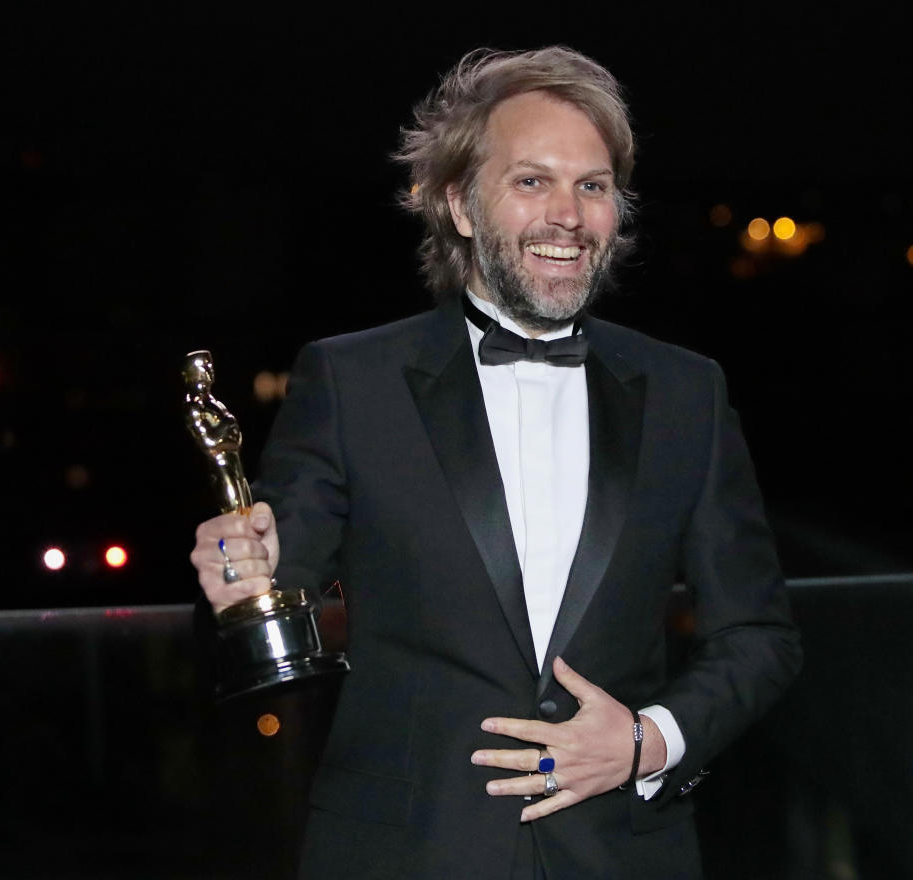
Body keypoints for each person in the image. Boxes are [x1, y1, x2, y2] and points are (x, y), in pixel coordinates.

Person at [190, 46, 801, 879]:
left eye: (592, 185)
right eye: (532, 181)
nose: (568, 214)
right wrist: (236, 571)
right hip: (403, 855)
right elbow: (269, 579)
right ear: (460, 205)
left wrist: (643, 741)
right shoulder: (352, 379)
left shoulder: (687, 392)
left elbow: (760, 635)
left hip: (621, 855)